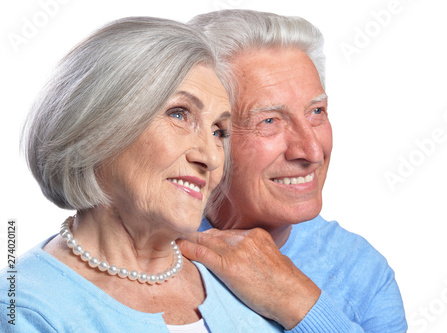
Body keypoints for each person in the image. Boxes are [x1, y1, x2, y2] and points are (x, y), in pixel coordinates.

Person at [0, 17, 283, 332]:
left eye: (219, 131)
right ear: (97, 128)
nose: (211, 157)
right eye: (179, 113)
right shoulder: (24, 307)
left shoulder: (241, 273)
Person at [178, 9, 408, 332]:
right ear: (210, 134)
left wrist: (299, 301)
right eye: (269, 121)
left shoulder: (364, 274)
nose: (312, 151)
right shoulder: (145, 249)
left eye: (316, 112)